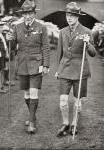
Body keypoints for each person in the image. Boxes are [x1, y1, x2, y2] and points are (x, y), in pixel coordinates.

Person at [6, 0, 50, 134]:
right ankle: (33, 116)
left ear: (34, 13)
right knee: (26, 93)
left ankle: (31, 123)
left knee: (33, 92)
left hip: (36, 64)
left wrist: (46, 65)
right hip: (22, 64)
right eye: (25, 13)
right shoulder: (16, 27)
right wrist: (10, 39)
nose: (28, 16)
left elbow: (46, 47)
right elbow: (12, 47)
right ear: (22, 14)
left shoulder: (41, 27)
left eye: (30, 13)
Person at [55, 2, 96, 137]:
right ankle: (65, 123)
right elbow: (59, 52)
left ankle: (74, 124)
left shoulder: (87, 31)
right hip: (64, 69)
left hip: (80, 70)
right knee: (62, 99)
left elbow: (93, 53)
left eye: (72, 15)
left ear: (78, 17)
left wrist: (87, 43)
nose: (70, 18)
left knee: (77, 101)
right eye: (68, 15)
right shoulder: (62, 32)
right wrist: (57, 69)